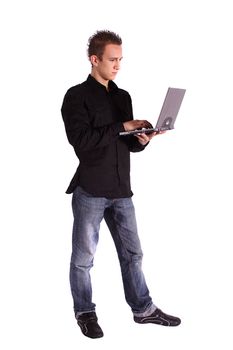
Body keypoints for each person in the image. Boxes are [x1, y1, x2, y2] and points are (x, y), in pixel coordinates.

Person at [61, 30, 181, 339]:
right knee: (83, 259)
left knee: (133, 255)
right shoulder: (76, 96)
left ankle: (143, 309)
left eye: (120, 60)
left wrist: (142, 139)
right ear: (95, 59)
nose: (117, 66)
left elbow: (124, 144)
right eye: (112, 60)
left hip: (121, 191)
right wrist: (121, 126)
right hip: (90, 190)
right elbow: (82, 142)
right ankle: (85, 312)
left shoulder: (122, 96)